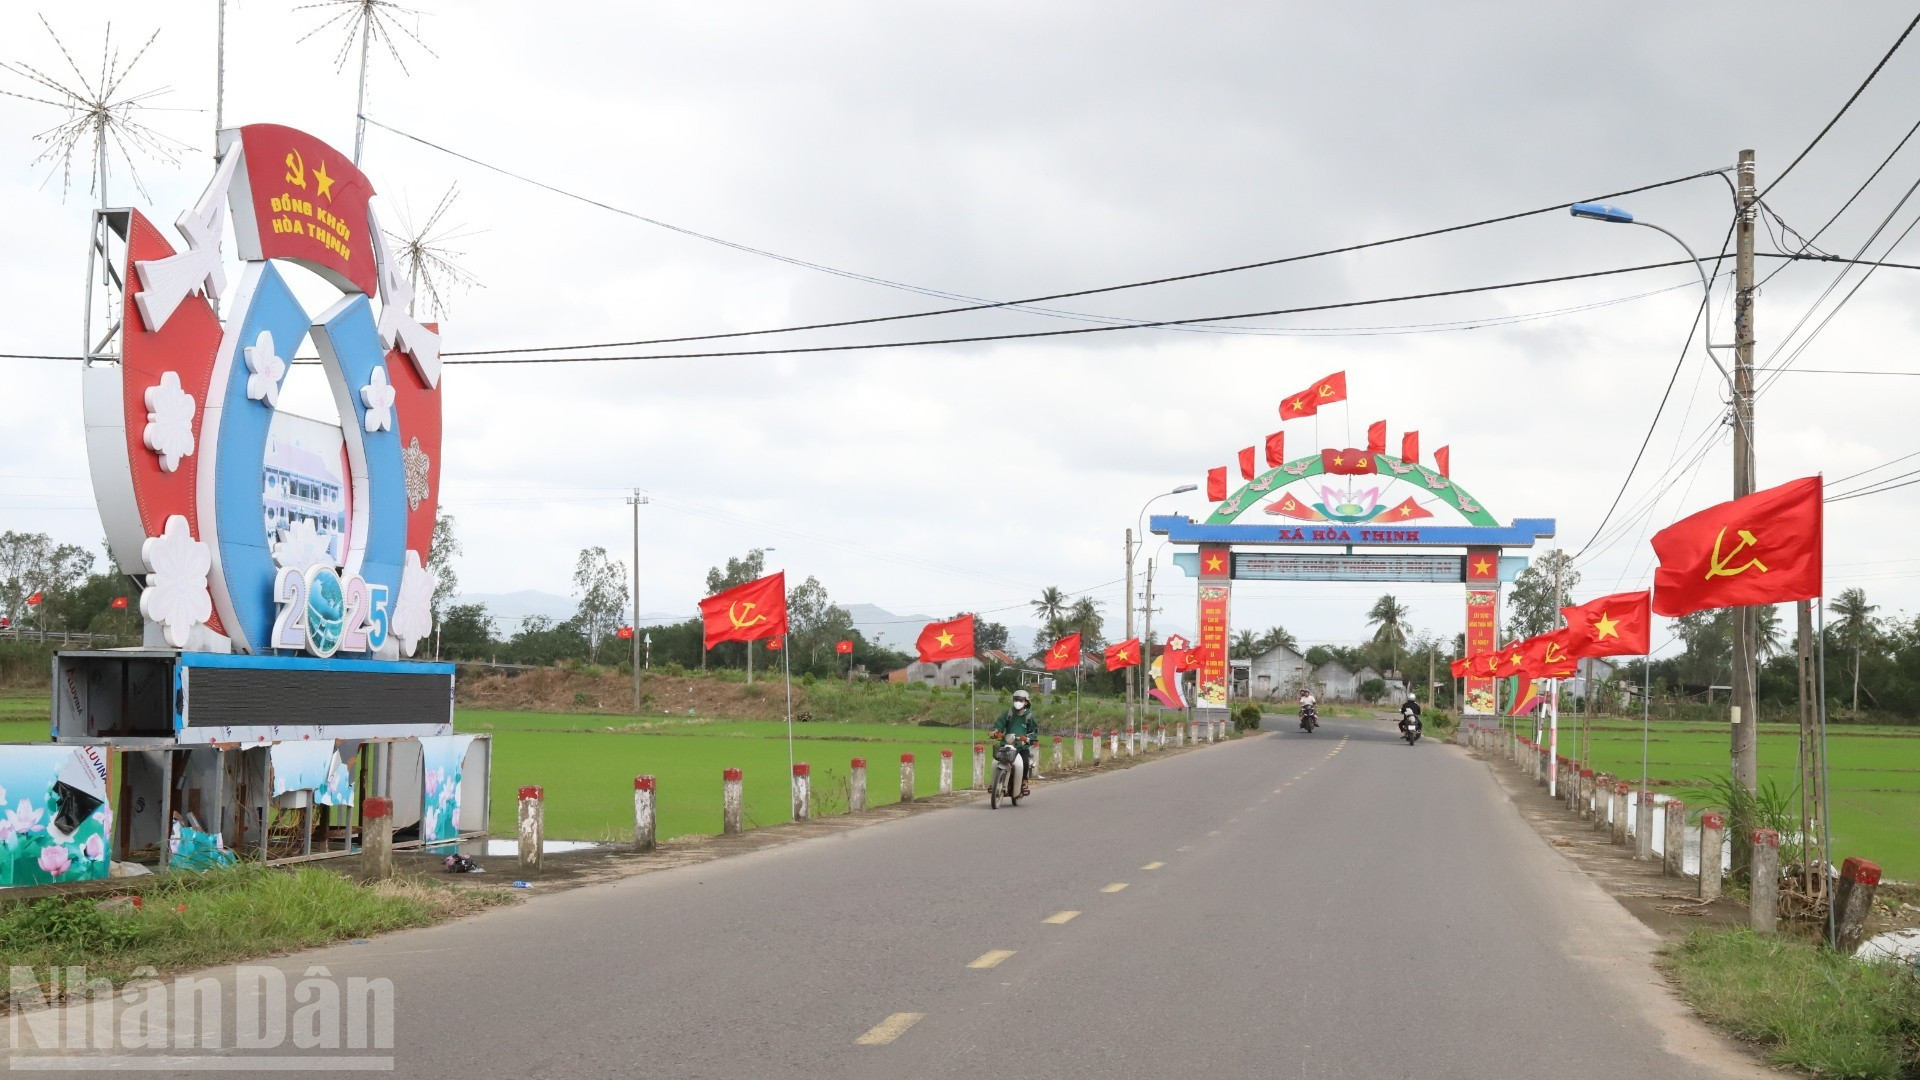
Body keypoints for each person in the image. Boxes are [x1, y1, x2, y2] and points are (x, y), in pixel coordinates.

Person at [993, 689, 1040, 797]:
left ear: (1026, 702)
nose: (1018, 702)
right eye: (1016, 699)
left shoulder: (1029, 716)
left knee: (1024, 763)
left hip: (1021, 746)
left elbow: (1033, 731)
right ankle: (993, 784)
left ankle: (1024, 783)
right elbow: (999, 725)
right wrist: (995, 731)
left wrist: (1029, 738)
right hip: (1007, 744)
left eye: (1021, 700)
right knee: (995, 762)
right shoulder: (1008, 713)